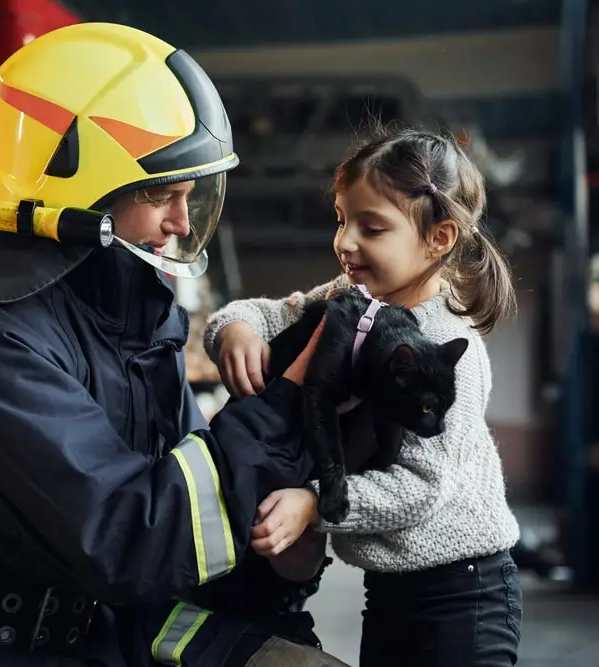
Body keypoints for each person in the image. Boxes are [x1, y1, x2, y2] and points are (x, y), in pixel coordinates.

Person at [0, 22, 351, 667]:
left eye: (190, 197)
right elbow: (134, 539)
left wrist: (288, 549)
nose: (181, 223)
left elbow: (189, 537)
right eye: (161, 195)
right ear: (76, 193)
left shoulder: (129, 319)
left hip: (82, 630)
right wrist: (285, 402)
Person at [203, 126, 525, 667]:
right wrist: (236, 327)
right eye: (341, 220)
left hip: (464, 596)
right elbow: (270, 312)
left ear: (439, 239)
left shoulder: (450, 350)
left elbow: (422, 487)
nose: (345, 242)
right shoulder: (352, 300)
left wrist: (314, 502)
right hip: (391, 590)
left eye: (371, 228)